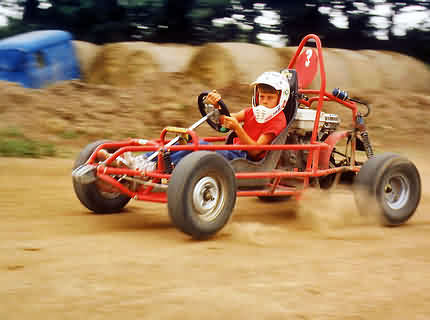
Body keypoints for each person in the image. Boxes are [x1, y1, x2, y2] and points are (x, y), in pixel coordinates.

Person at [166, 71, 290, 166]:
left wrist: (237, 128)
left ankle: (171, 166)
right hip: (234, 151)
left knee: (202, 149)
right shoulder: (251, 112)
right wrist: (216, 106)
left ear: (281, 99)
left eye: (270, 98)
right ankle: (152, 160)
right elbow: (225, 119)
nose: (264, 102)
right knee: (194, 142)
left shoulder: (277, 120)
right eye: (262, 97)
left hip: (245, 160)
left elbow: (255, 151)